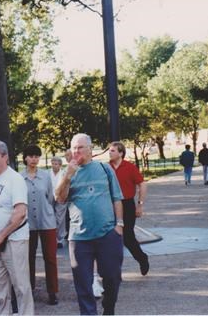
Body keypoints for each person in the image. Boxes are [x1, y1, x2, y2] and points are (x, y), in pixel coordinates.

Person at [56, 133, 124, 315]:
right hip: (79, 238)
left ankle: (108, 309)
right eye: (74, 148)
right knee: (83, 284)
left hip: (108, 234)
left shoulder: (104, 169)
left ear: (90, 149)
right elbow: (60, 199)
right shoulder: (67, 172)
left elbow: (117, 198)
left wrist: (119, 225)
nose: (76, 151)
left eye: (80, 147)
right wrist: (68, 176)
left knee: (112, 278)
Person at [0, 140, 34, 315]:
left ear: (5, 157)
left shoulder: (15, 179)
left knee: (20, 285)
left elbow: (20, 213)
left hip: (13, 240)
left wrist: (1, 235)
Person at [20, 145, 59, 305]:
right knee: (28, 258)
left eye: (37, 156)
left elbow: (51, 197)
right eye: (31, 156)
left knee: (50, 257)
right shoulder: (19, 177)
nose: (34, 159)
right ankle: (29, 289)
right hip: (27, 224)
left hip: (46, 221)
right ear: (25, 158)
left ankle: (52, 292)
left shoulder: (45, 176)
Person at [109, 142, 149, 276]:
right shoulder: (106, 168)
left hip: (127, 205)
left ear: (121, 153)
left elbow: (142, 184)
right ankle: (113, 271)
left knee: (127, 237)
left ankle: (142, 258)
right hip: (110, 205)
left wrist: (140, 204)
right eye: (110, 150)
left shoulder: (130, 167)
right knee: (110, 237)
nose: (110, 153)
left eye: (113, 151)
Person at [49, 156, 66, 248]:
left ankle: (60, 239)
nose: (54, 166)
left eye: (56, 164)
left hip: (60, 197)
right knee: (51, 217)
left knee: (60, 218)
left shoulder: (63, 173)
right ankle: (53, 238)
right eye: (53, 164)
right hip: (50, 197)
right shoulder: (48, 174)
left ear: (60, 165)